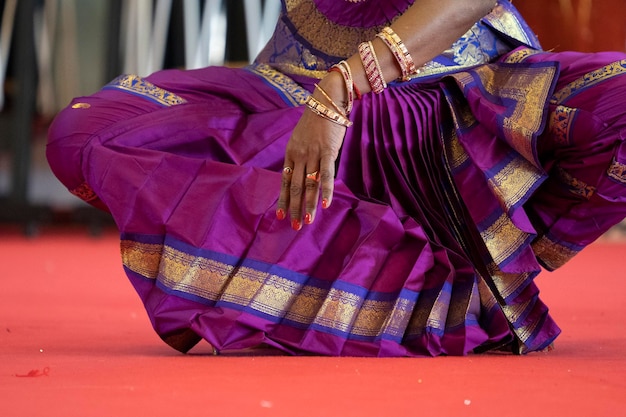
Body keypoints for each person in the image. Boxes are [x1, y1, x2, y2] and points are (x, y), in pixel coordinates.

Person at [46, 0, 626, 357]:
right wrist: (318, 100)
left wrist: (343, 88)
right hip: (293, 93)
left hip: (456, 108)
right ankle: (312, 288)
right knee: (81, 137)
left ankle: (484, 269)